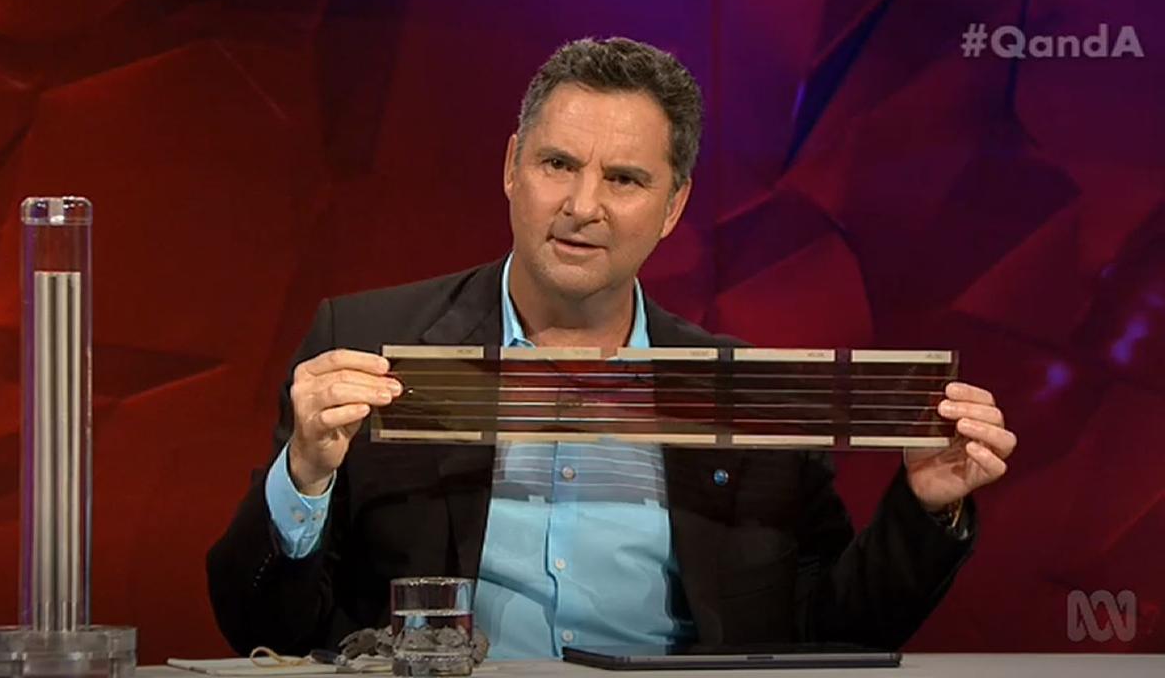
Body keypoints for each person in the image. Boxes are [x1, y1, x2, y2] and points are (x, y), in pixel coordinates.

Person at [207, 37, 1016, 659]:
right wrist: (303, 479)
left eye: (624, 179)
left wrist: (927, 508)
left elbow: (828, 635)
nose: (582, 205)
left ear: (672, 207)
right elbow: (259, 627)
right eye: (558, 164)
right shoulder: (366, 346)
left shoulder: (748, 391)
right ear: (512, 170)